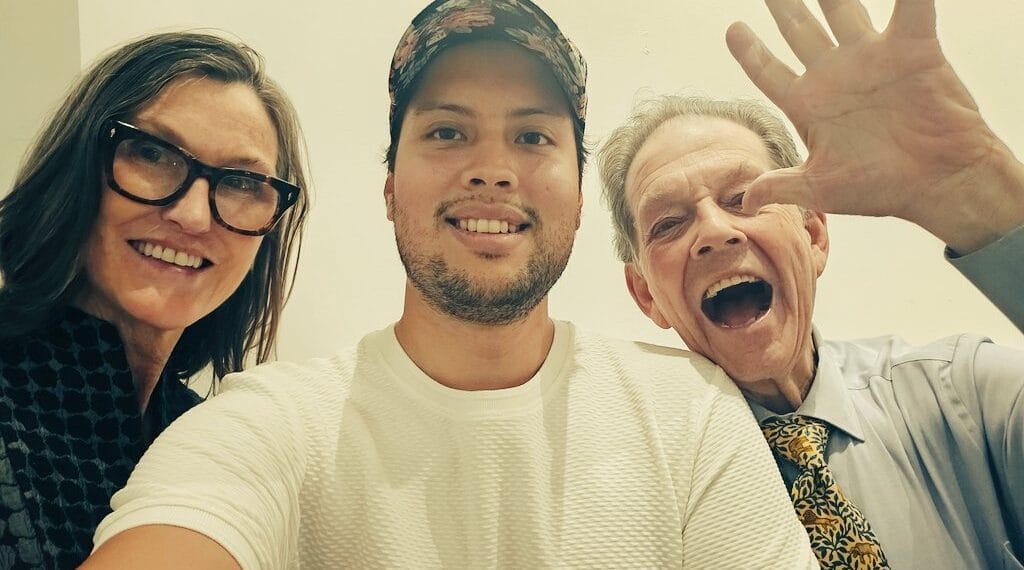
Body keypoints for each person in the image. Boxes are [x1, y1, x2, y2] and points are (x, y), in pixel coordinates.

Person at [83, 1, 817, 568]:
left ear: (577, 193)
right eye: (446, 132)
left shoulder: (689, 410)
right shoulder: (267, 425)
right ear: (390, 188)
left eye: (532, 136)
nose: (492, 170)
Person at [599, 1, 1023, 568]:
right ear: (646, 294)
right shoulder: (633, 496)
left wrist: (978, 186)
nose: (715, 232)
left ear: (814, 233)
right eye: (670, 223)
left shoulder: (959, 393)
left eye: (743, 198)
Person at [0, 32, 308, 568]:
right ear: (77, 165)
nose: (193, 216)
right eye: (152, 153)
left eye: (241, 182)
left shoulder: (209, 435)